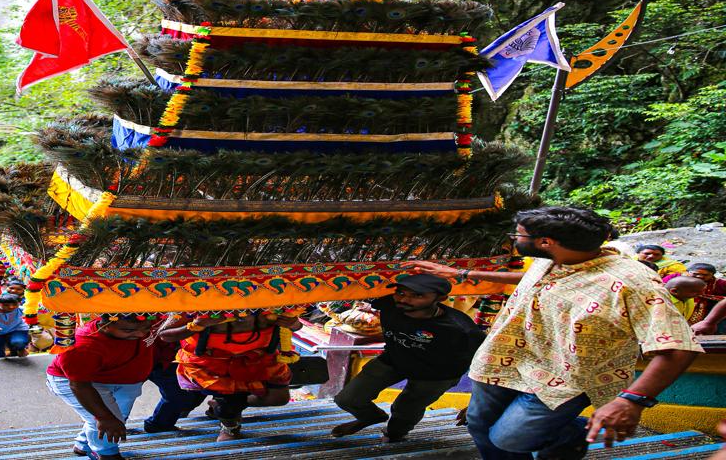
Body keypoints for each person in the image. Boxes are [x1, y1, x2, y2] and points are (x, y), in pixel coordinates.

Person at [406, 206, 702, 459]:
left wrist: (631, 401)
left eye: (517, 235)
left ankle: (571, 435)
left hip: (564, 379)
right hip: (501, 362)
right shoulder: (556, 259)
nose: (514, 239)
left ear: (546, 241)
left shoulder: (634, 282)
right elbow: (534, 277)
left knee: (510, 439)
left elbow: (678, 347)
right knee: (478, 424)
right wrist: (462, 274)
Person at [331, 274, 485, 442]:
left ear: (441, 298)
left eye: (417, 295)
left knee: (405, 411)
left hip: (437, 375)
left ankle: (394, 436)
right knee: (348, 399)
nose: (405, 299)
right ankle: (371, 417)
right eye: (401, 293)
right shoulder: (389, 304)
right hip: (395, 359)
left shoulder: (460, 330)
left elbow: (485, 365)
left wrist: (476, 402)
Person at [160, 311, 300, 442]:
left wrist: (292, 323)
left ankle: (224, 407)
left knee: (279, 398)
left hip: (260, 358)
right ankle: (229, 424)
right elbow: (165, 335)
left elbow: (297, 326)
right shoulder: (196, 300)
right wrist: (198, 325)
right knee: (227, 411)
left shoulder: (270, 296)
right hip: (213, 364)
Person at [46, 313, 156, 460]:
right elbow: (80, 385)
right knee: (105, 419)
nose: (142, 334)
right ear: (105, 325)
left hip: (122, 380)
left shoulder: (142, 322)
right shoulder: (83, 345)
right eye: (129, 331)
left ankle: (83, 445)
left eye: (147, 328)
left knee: (118, 417)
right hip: (79, 383)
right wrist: (104, 417)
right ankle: (106, 454)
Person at [143, 336, 207, 433]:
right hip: (163, 361)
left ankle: (167, 420)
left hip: (182, 359)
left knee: (194, 392)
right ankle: (159, 425)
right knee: (180, 395)